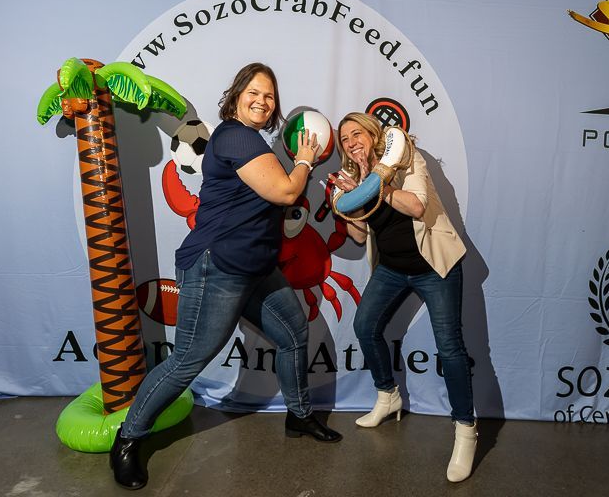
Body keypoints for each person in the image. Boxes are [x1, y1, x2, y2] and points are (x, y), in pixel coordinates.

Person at [111, 63, 341, 490]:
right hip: (216, 266)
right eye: (254, 92)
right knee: (187, 361)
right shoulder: (236, 136)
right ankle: (128, 439)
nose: (262, 101)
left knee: (293, 334)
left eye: (269, 96)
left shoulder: (254, 142)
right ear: (235, 98)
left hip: (256, 267)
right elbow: (287, 192)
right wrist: (305, 160)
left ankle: (299, 416)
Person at [329, 112, 476, 483]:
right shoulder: (355, 175)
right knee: (365, 326)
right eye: (344, 139)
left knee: (450, 347)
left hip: (434, 265)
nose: (351, 142)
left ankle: (465, 430)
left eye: (356, 133)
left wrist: (376, 182)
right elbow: (359, 237)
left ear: (372, 133)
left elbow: (417, 206)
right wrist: (350, 201)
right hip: (392, 268)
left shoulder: (406, 157)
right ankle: (387, 395)